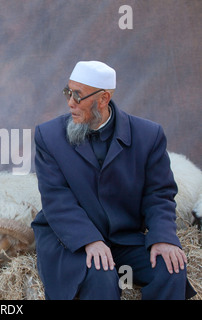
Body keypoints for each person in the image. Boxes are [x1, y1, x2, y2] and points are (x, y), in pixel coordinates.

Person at [31, 61, 197, 300]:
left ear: (104, 98)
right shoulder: (48, 136)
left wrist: (162, 237)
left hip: (124, 238)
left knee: (170, 269)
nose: (70, 102)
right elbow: (57, 199)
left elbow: (159, 194)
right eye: (68, 92)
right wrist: (89, 241)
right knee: (100, 275)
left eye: (78, 96)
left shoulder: (149, 136)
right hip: (70, 241)